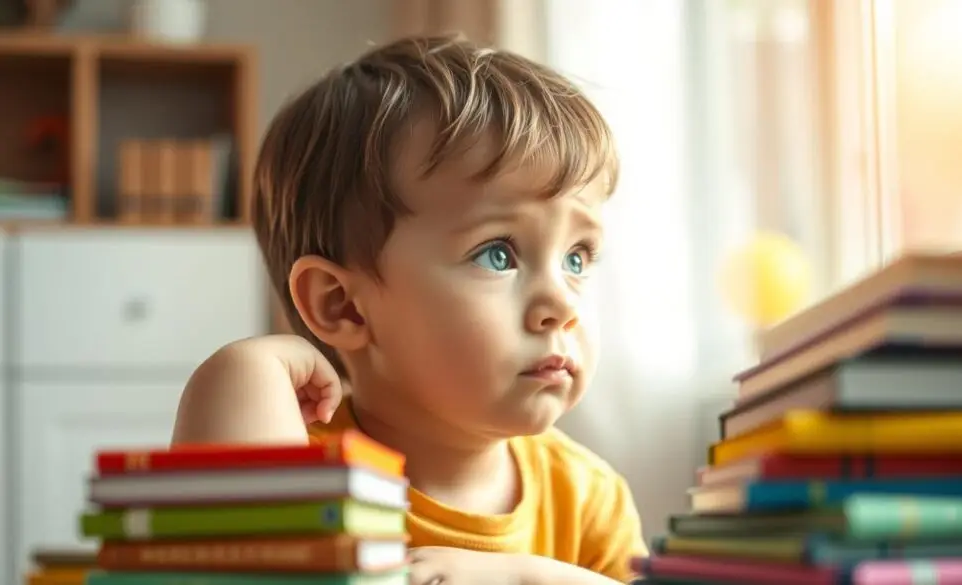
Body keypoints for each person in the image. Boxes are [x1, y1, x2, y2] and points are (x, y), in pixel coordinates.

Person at [172, 34, 647, 585]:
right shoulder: (308, 474)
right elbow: (225, 569)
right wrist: (243, 370)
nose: (562, 304)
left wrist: (528, 578)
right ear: (343, 305)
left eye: (576, 257)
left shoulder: (590, 498)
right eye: (499, 253)